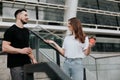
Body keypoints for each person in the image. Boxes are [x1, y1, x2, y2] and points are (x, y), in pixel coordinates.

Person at [2, 9, 37, 80]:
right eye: (25, 15)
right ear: (19, 16)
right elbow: (5, 48)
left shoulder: (26, 31)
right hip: (16, 65)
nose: (28, 17)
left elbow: (27, 47)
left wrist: (33, 59)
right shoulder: (10, 30)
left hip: (28, 64)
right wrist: (21, 51)